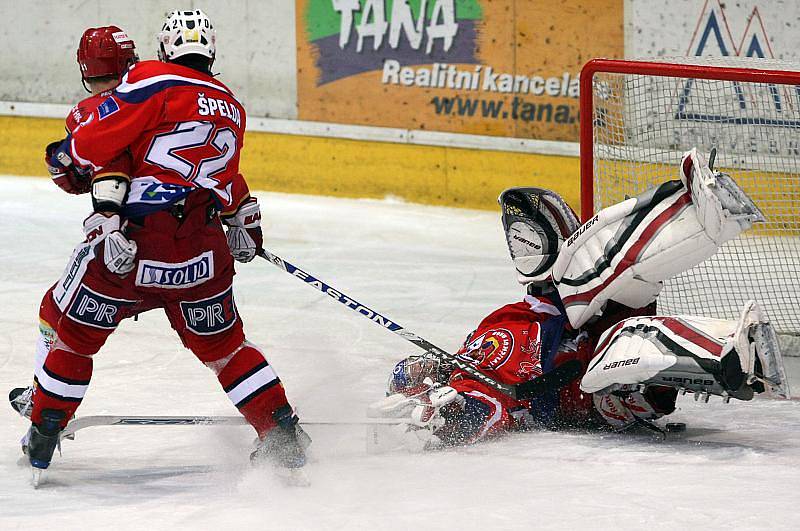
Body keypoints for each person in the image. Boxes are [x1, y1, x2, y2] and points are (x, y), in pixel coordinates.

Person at [25, 9, 309, 476]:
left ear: (160, 50)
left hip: (135, 245)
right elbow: (219, 176)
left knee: (73, 340)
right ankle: (281, 434)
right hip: (201, 250)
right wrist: (243, 219)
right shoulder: (232, 104)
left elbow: (98, 148)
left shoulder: (150, 80)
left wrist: (67, 157)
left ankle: (42, 433)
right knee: (228, 349)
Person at [370, 149, 790, 450]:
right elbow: (487, 397)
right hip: (598, 403)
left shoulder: (556, 307)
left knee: (630, 295)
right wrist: (458, 415)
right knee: (628, 335)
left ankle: (690, 212)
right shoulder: (516, 324)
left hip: (611, 397)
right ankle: (732, 357)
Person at [9, 25, 139, 419]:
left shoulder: (85, 115)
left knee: (57, 314)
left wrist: (60, 161)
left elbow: (74, 179)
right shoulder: (157, 94)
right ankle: (266, 406)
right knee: (216, 338)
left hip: (119, 244)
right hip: (184, 237)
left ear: (85, 67)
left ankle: (43, 401)